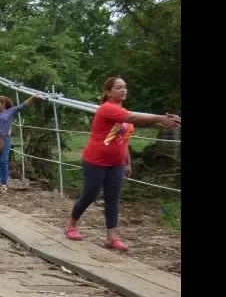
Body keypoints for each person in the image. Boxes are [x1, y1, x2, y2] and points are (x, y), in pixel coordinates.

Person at [64, 76, 181, 251]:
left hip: (116, 163)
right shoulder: (107, 109)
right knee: (90, 194)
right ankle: (71, 225)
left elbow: (122, 139)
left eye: (124, 87)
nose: (123, 90)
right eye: (118, 87)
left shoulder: (121, 110)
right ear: (108, 91)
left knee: (113, 198)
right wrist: (160, 118)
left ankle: (112, 237)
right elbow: (132, 117)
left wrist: (127, 162)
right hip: (95, 161)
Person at [0, 94, 40, 194]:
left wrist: (33, 97)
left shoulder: (10, 112)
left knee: (3, 161)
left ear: (3, 104)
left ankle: (4, 183)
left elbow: (23, 105)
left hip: (4, 140)